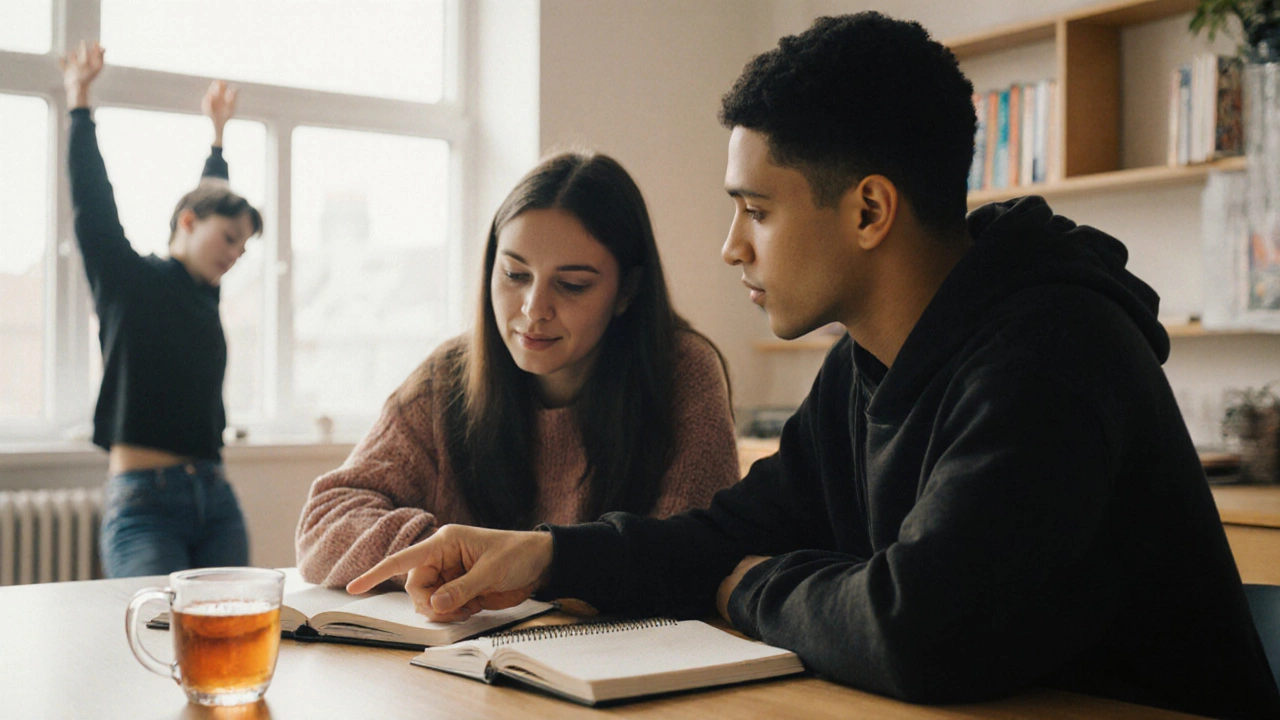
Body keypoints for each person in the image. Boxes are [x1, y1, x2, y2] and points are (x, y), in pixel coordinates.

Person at [349, 13, 1280, 720]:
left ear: (870, 211)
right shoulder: (868, 360)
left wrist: (742, 585)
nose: (729, 249)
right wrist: (544, 555)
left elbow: (921, 630)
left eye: (756, 210)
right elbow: (734, 529)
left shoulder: (1053, 354)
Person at [294, 151, 740, 588]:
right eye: (514, 274)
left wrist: (531, 565)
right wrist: (446, 552)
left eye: (572, 285)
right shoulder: (448, 377)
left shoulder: (682, 373)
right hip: (462, 655)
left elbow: (691, 556)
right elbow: (324, 524)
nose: (534, 309)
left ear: (627, 290)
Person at [61, 41, 263, 578]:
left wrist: (218, 136)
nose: (236, 255)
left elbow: (212, 197)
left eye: (244, 249)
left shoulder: (204, 291)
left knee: (230, 643)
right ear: (190, 222)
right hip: (145, 504)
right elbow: (92, 203)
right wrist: (78, 100)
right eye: (230, 239)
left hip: (216, 499)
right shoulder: (126, 280)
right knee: (151, 639)